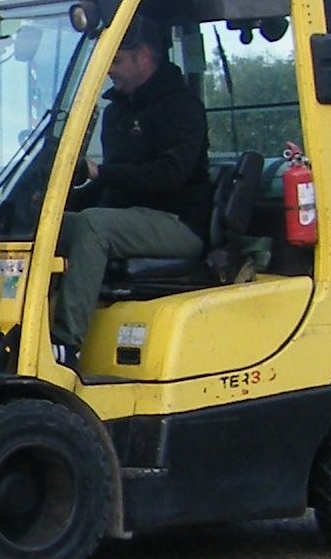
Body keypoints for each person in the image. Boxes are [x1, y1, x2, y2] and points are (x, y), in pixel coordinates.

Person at [51, 19, 212, 364]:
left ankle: (63, 344)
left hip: (179, 221)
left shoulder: (182, 108)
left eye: (116, 61)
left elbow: (170, 176)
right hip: (130, 219)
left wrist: (99, 171)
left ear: (144, 58)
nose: (109, 71)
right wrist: (54, 202)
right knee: (47, 225)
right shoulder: (117, 114)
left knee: (94, 227)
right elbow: (112, 186)